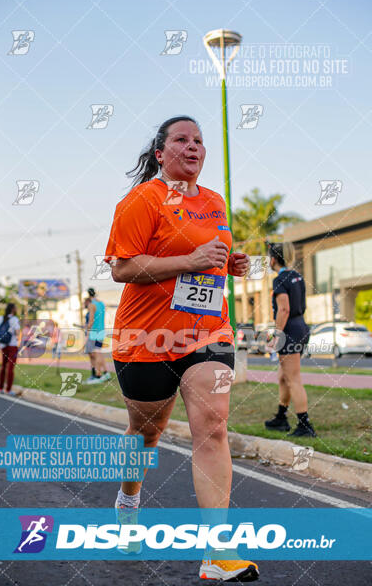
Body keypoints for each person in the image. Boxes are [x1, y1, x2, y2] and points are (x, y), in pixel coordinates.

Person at [104, 116, 259, 582]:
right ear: (160, 152)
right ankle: (129, 499)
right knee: (145, 435)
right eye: (181, 140)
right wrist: (189, 261)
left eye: (198, 141)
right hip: (146, 338)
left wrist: (230, 264)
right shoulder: (141, 200)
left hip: (208, 333)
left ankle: (216, 553)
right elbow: (122, 269)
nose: (192, 147)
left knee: (212, 427)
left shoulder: (214, 201)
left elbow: (206, 259)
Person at [264, 242, 316, 437]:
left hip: (289, 330)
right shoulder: (297, 276)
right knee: (283, 376)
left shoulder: (280, 279)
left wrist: (275, 335)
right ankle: (281, 418)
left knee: (293, 379)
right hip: (301, 326)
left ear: (274, 259)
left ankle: (305, 425)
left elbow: (283, 309)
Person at [84, 288, 111, 384]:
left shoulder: (92, 305)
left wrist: (86, 330)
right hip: (101, 331)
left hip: (93, 332)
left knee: (96, 354)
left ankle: (98, 375)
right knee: (99, 352)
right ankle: (103, 373)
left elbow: (91, 321)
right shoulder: (102, 304)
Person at [0, 303, 20, 396]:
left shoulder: (0, 318)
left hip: (3, 345)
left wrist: (2, 337)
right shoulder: (14, 319)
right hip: (12, 345)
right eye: (16, 308)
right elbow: (17, 333)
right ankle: (8, 390)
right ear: (13, 309)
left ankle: (0, 387)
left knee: (3, 367)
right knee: (10, 368)